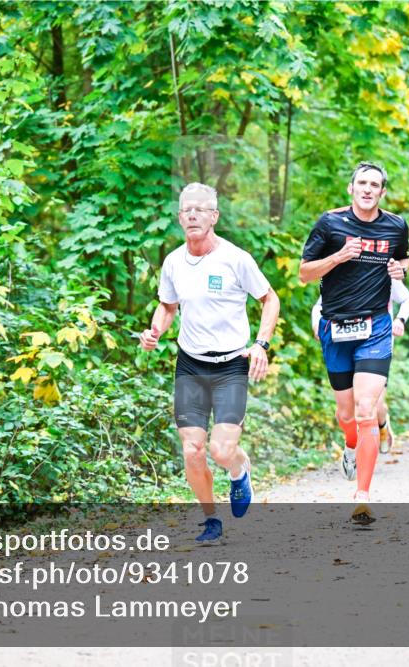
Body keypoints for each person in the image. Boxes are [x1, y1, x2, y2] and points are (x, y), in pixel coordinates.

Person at [140, 182, 280, 543]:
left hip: (231, 365)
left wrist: (261, 344)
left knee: (221, 450)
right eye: (186, 209)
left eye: (201, 209)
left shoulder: (235, 258)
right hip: (191, 365)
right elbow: (167, 307)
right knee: (193, 449)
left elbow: (270, 299)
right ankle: (210, 520)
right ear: (180, 217)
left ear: (214, 216)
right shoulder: (173, 262)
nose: (192, 214)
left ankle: (239, 470)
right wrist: (155, 331)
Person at [299, 161, 409, 524]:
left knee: (365, 410)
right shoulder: (329, 223)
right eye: (361, 183)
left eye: (374, 184)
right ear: (351, 189)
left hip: (376, 327)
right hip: (337, 329)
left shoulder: (395, 226)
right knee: (346, 416)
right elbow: (304, 274)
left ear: (382, 192)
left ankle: (362, 496)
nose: (367, 189)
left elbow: (403, 259)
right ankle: (350, 445)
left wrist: (401, 270)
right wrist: (338, 257)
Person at [311, 278, 409, 456]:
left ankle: (381, 427)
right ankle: (355, 446)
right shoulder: (341, 269)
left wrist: (400, 320)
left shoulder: (381, 268)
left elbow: (407, 299)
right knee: (348, 409)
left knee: (375, 404)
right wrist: (316, 325)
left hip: (376, 344)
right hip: (342, 344)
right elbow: (320, 305)